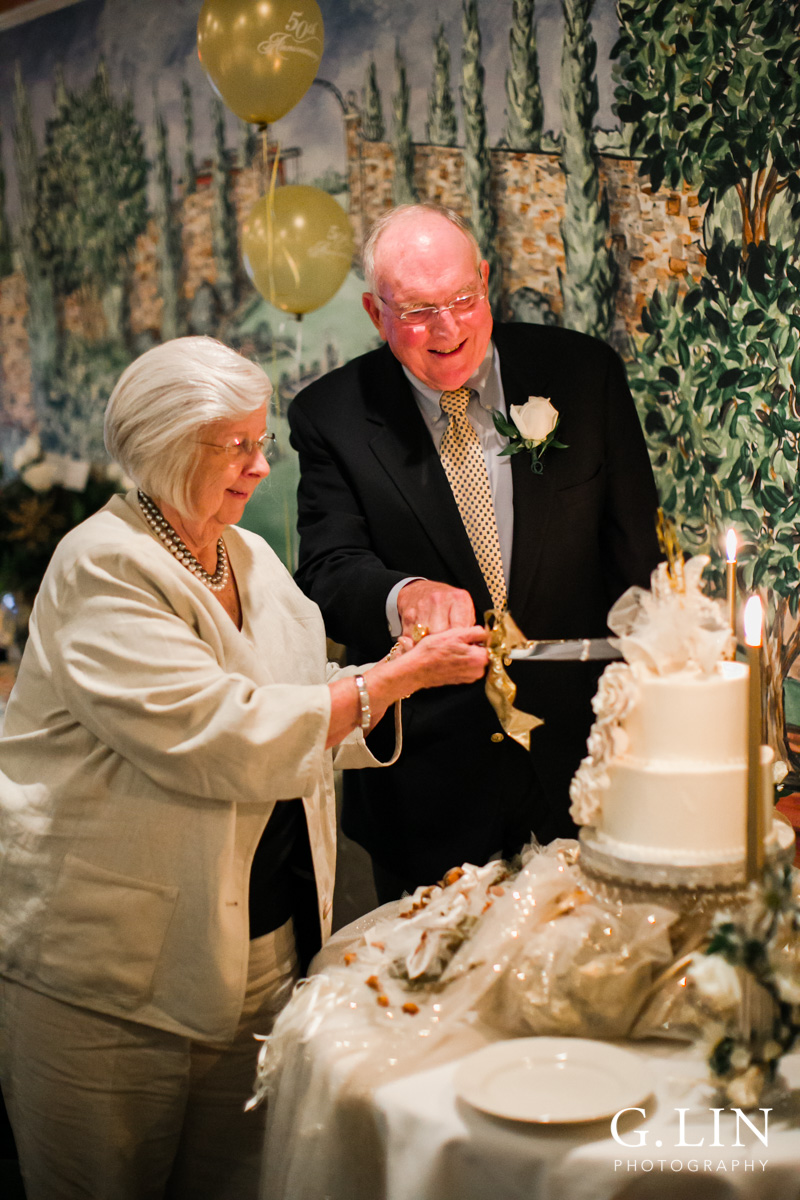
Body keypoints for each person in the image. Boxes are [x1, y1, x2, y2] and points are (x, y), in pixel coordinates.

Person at [0, 335, 488, 1200]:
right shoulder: (105, 567)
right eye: (238, 446)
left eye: (262, 442)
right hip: (112, 973)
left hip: (261, 941)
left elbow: (300, 698)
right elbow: (221, 733)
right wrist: (386, 680)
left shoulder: (250, 559)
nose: (262, 467)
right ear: (167, 446)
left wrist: (390, 676)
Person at [288, 202, 661, 902]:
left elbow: (637, 563)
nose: (449, 328)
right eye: (419, 310)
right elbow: (328, 570)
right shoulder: (331, 415)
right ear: (376, 312)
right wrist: (403, 595)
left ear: (485, 278)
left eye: (463, 299)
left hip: (585, 768)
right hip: (429, 788)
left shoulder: (583, 375)